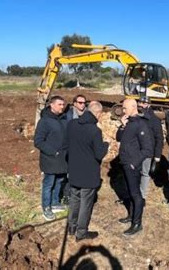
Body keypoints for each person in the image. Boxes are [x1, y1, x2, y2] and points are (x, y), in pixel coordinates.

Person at [64, 101, 109, 242]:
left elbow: (67, 144)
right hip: (88, 174)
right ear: (97, 113)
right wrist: (106, 144)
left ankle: (71, 227)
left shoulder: (72, 124)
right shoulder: (95, 131)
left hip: (74, 170)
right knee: (86, 203)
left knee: (74, 199)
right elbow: (99, 154)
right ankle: (81, 232)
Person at [116, 98, 153, 236]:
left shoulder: (140, 124)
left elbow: (147, 149)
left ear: (133, 107)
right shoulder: (129, 123)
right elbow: (119, 138)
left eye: (125, 108)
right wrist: (122, 125)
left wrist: (134, 163)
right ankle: (131, 216)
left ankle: (137, 223)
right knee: (130, 192)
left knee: (136, 194)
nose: (123, 111)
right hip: (125, 162)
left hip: (132, 164)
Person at [33, 96, 68, 221]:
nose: (62, 107)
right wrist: (53, 152)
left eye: (63, 104)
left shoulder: (64, 119)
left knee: (59, 181)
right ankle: (46, 208)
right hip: (50, 158)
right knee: (49, 184)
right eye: (59, 104)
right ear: (52, 105)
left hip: (63, 158)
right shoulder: (45, 121)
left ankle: (55, 203)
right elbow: (38, 141)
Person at [137, 96, 164, 198]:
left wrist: (157, 155)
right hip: (135, 150)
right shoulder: (136, 117)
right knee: (135, 172)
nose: (141, 105)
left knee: (144, 173)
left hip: (147, 151)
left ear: (148, 105)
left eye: (143, 103)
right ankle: (135, 193)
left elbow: (159, 138)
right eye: (140, 103)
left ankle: (142, 195)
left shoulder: (154, 120)